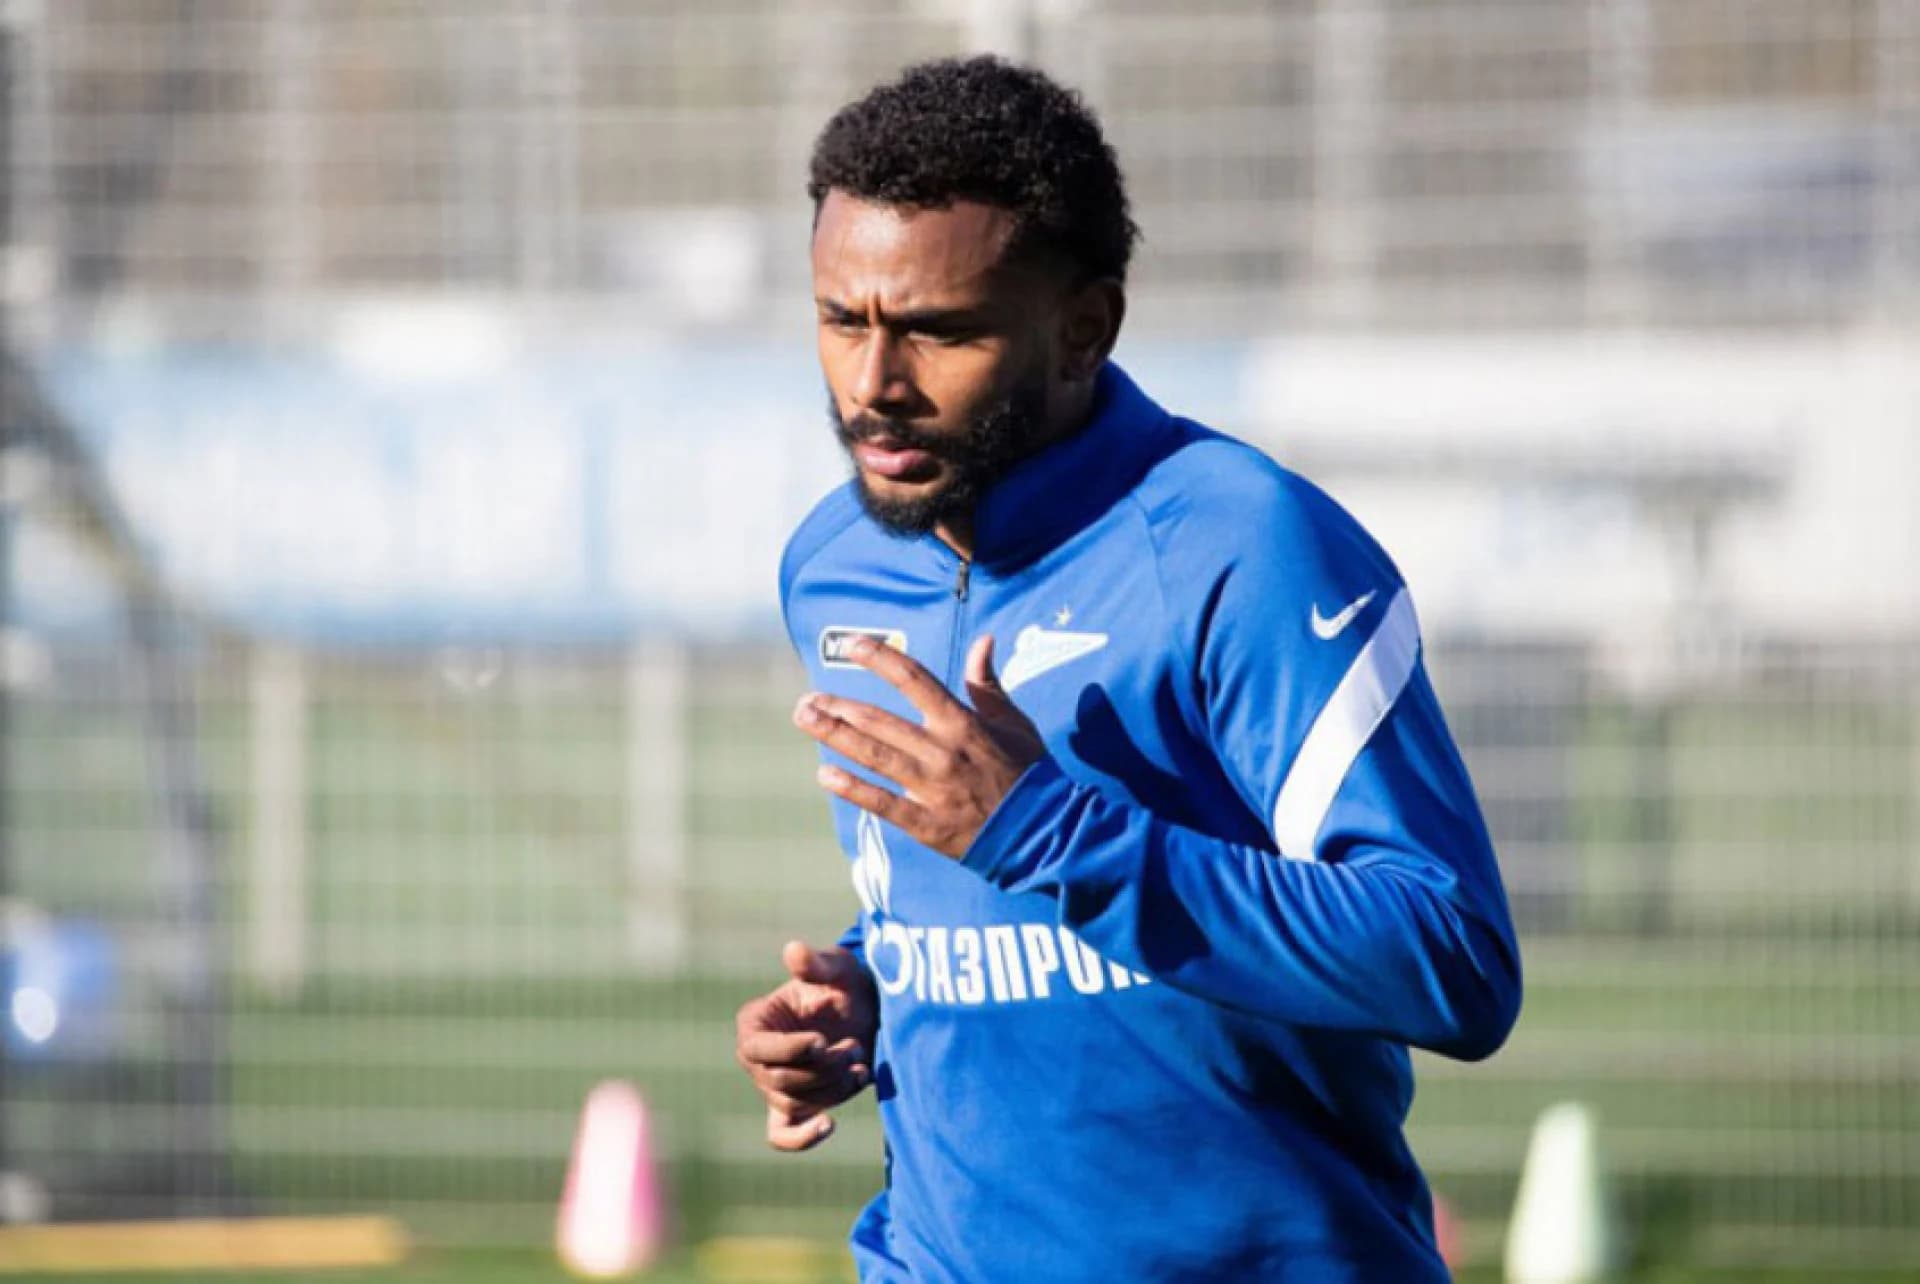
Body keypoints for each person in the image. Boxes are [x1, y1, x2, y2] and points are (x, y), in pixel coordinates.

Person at [733, 55, 1521, 1282]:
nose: (874, 386)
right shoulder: (832, 563)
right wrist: (866, 991)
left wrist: (1047, 832)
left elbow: (1451, 955)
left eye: (938, 332)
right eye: (844, 320)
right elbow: (968, 897)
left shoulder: (1243, 544)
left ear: (1083, 328)